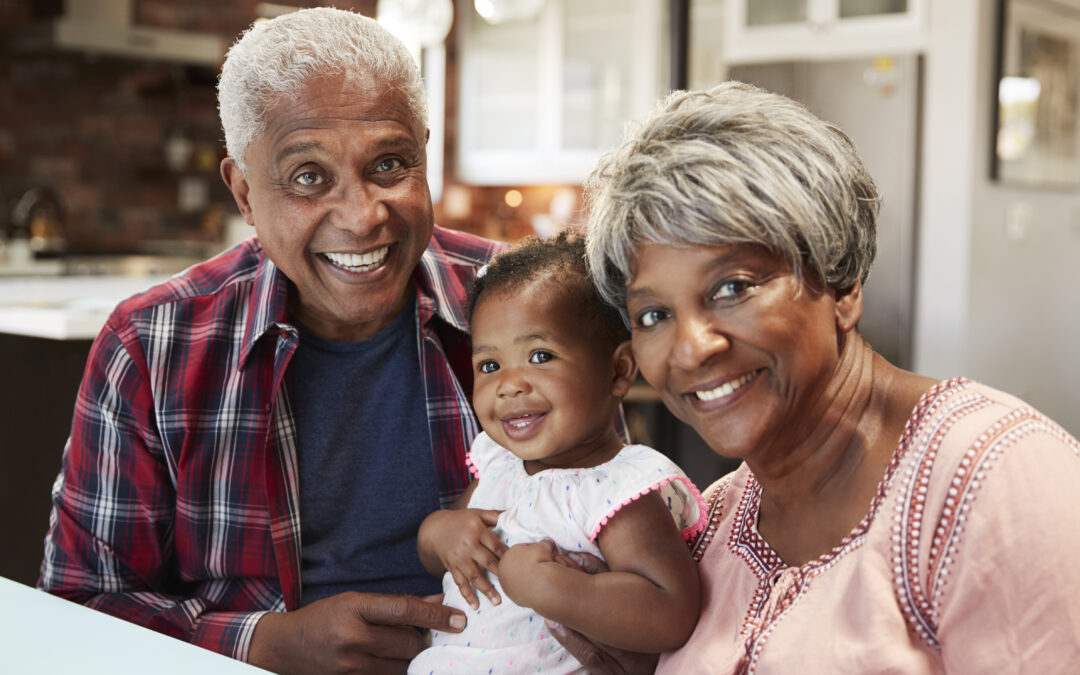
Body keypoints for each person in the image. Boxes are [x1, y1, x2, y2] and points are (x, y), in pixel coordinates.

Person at [39, 8, 506, 673]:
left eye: (390, 164)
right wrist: (265, 643)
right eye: (310, 177)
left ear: (424, 153)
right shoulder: (150, 346)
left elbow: (607, 525)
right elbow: (74, 604)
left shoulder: (521, 298)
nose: (363, 215)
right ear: (244, 193)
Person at [583, 81, 1080, 673]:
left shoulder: (995, 480)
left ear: (841, 285)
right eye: (654, 315)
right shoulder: (711, 524)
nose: (691, 350)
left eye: (733, 287)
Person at [408, 231, 704, 674]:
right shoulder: (499, 467)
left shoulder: (618, 491)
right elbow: (438, 551)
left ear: (618, 370)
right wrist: (439, 533)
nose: (509, 385)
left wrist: (550, 586)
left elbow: (671, 611)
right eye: (490, 365)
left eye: (541, 355)